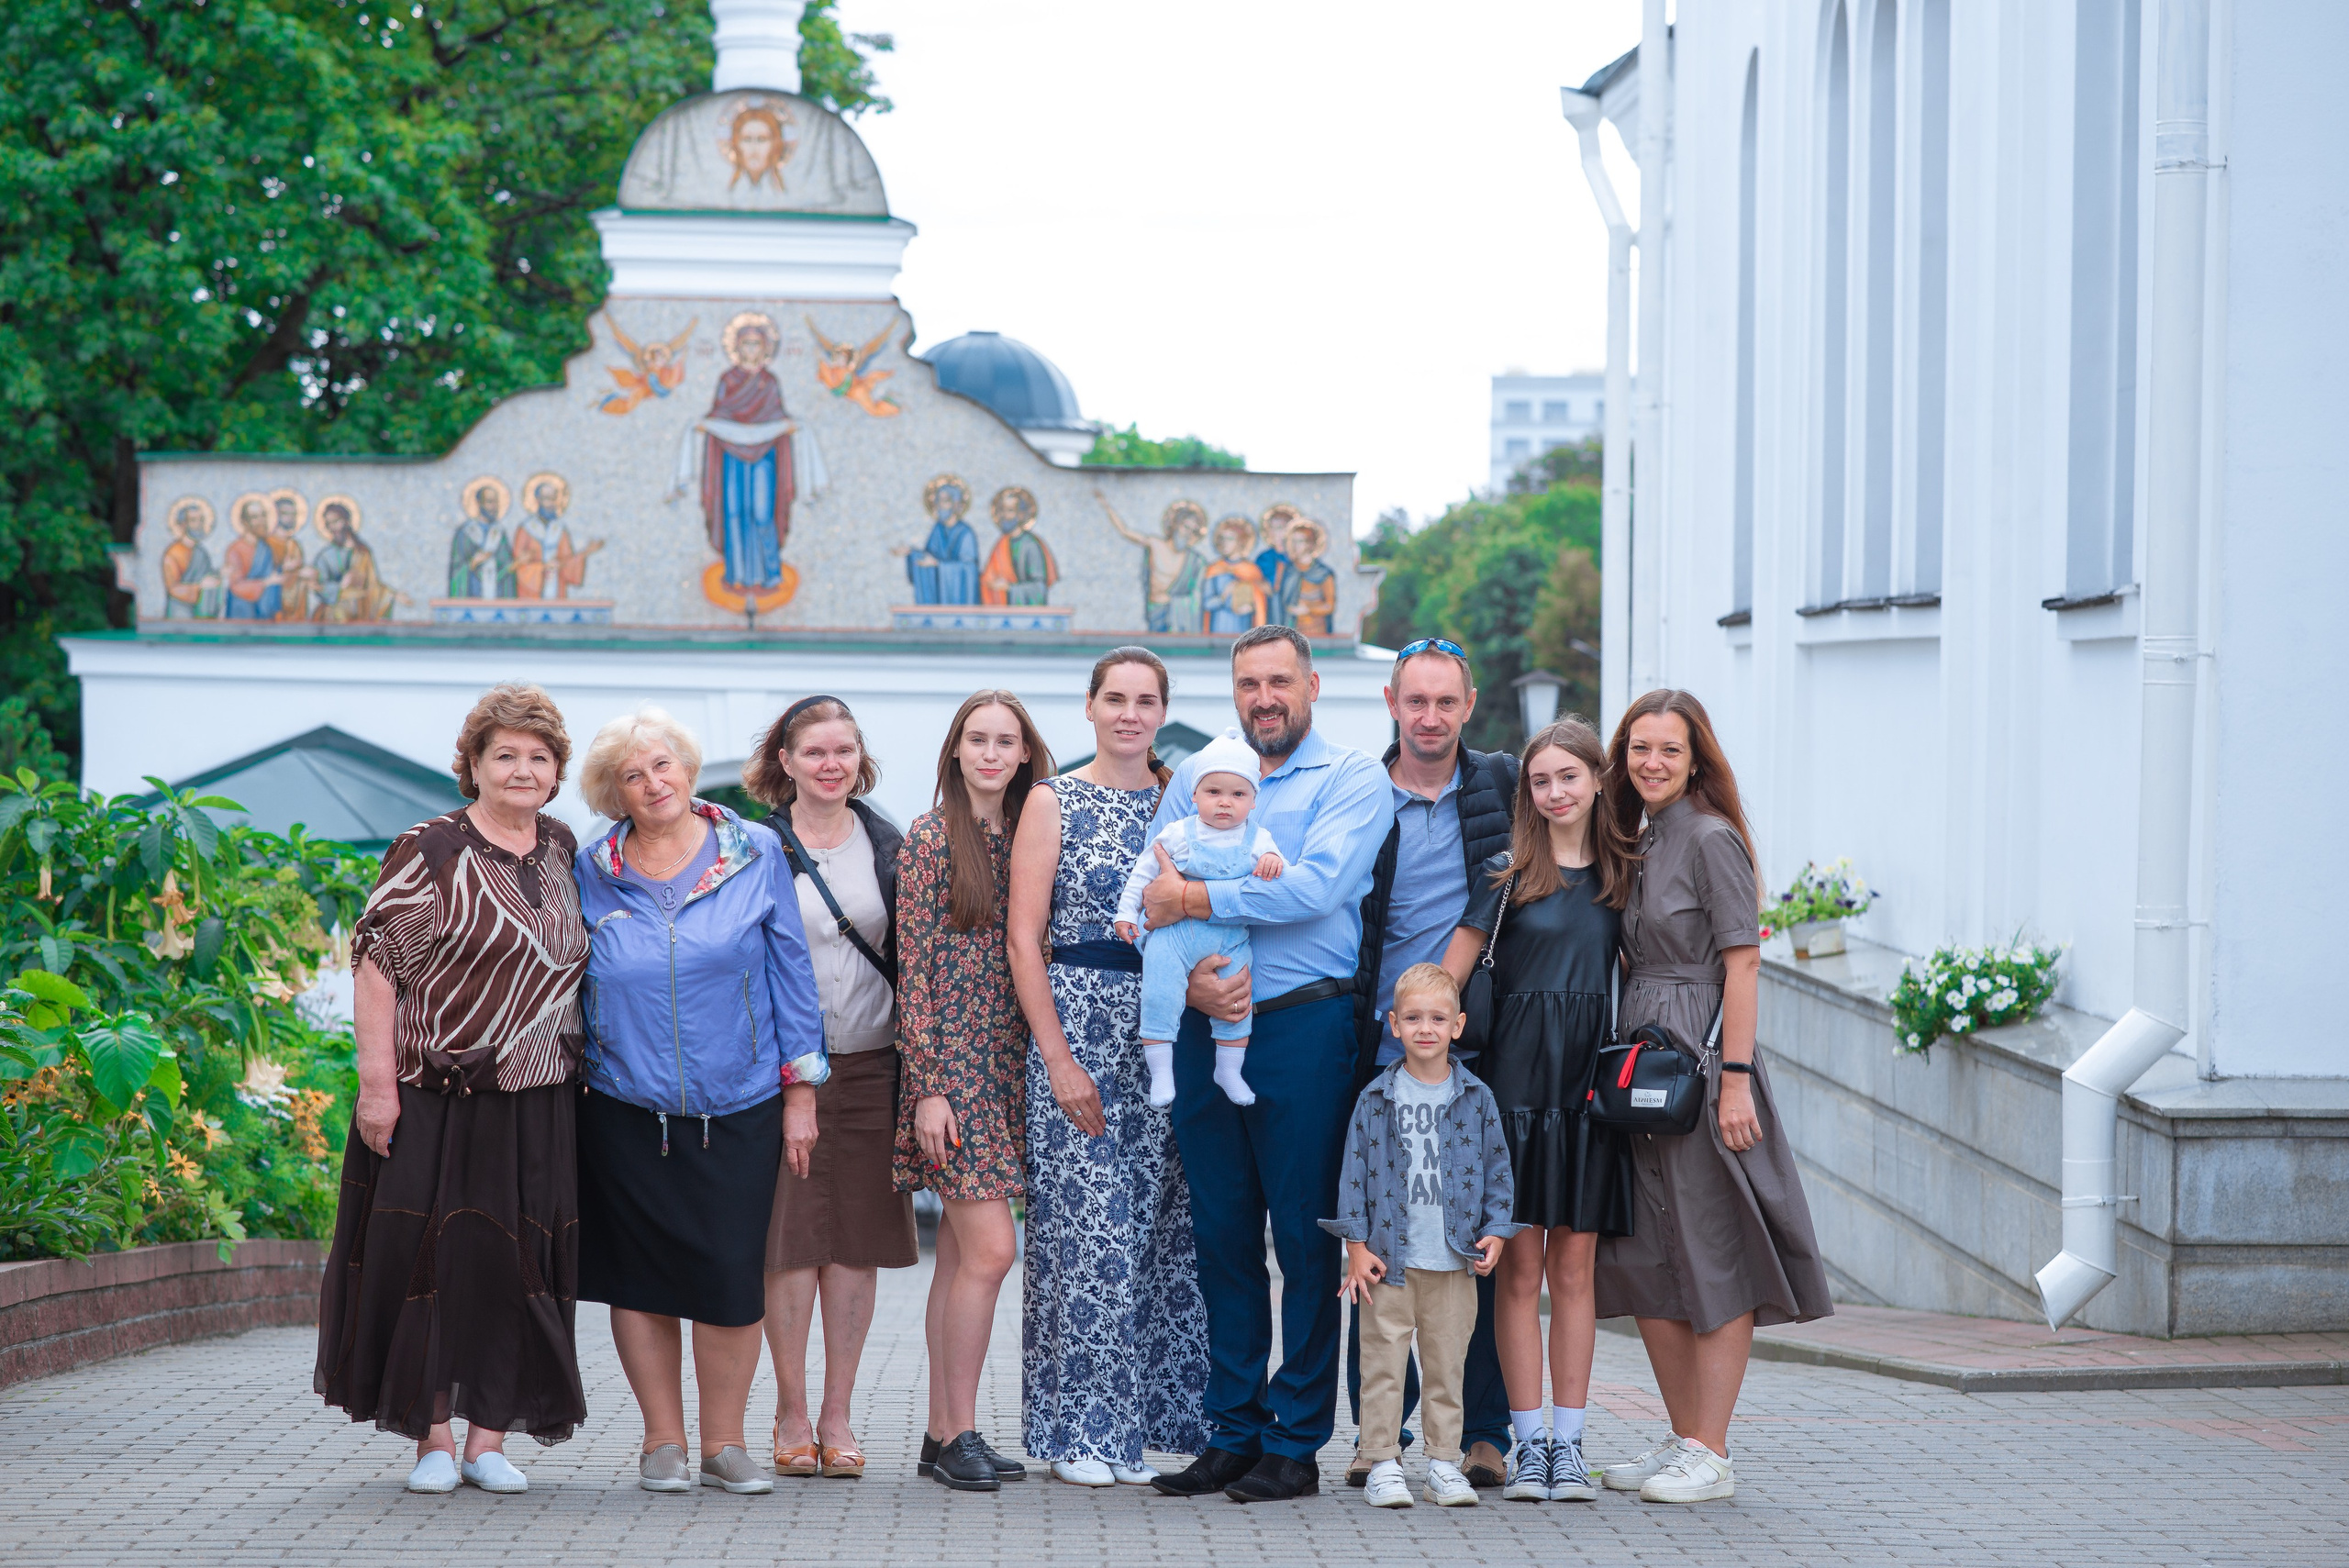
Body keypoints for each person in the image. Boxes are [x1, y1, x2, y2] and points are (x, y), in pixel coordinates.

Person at [1139, 623, 1395, 1505]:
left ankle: (1296, 1439)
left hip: (1303, 1031)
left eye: (1279, 681)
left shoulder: (1353, 778)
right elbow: (1150, 887)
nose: (1264, 698)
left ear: (1312, 685)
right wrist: (1196, 983)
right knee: (1221, 1238)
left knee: (1303, 1237)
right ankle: (1232, 1431)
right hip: (1206, 1028)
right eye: (1249, 683)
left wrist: (1200, 896)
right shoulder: (1194, 775)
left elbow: (1315, 887)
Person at [314, 684, 589, 1496]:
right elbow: (377, 965)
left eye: (538, 756)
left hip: (539, 1098)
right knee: (428, 1257)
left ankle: (488, 1439)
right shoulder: (431, 846)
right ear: (472, 764)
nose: (522, 768)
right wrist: (376, 1086)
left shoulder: (564, 847)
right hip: (435, 1093)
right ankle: (433, 1437)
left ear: (556, 770)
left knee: (518, 1265)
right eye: (504, 754)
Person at [573, 706, 829, 1497]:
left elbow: (792, 973)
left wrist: (801, 1094)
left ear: (688, 768)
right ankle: (662, 1441)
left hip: (739, 1101)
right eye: (632, 774)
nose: (653, 783)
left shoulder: (755, 851)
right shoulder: (591, 867)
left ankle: (723, 1441)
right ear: (616, 794)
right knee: (640, 1278)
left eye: (662, 765)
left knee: (727, 1278)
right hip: (622, 1103)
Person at [1591, 688, 1831, 1505]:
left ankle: (1713, 1449)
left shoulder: (1712, 836)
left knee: (1712, 1247)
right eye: (1638, 749)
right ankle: (1684, 1436)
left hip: (1697, 1059)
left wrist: (1734, 1077)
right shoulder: (1641, 835)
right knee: (1645, 1253)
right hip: (1640, 1063)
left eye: (1668, 749)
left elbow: (1743, 961)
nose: (1651, 763)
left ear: (1697, 759)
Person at [1005, 648, 1209, 1488]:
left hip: (1168, 1029)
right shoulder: (1053, 798)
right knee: (1085, 1236)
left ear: (1163, 711)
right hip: (1079, 1026)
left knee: (1164, 1236)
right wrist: (1056, 1056)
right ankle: (1082, 1428)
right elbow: (1023, 937)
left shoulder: (1186, 799)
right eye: (1115, 697)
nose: (1130, 712)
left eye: (1146, 699)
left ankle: (1147, 1424)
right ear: (1089, 705)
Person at [1442, 717, 1635, 1504]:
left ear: (1596, 780)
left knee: (1576, 1270)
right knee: (1519, 1270)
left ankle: (1571, 1444)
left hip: (1589, 1094)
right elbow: (1441, 981)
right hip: (1514, 1097)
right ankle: (1528, 1446)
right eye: (1540, 779)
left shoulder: (1629, 874)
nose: (1554, 792)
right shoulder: (1506, 873)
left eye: (1568, 776)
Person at [1342, 638, 1520, 1490]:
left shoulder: (1500, 785)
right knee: (1379, 1245)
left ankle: (1480, 1434)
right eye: (1416, 700)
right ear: (1390, 700)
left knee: (1470, 1253)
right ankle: (1377, 1435)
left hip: (1477, 1055)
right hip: (1377, 1052)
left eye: (1446, 701)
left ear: (1469, 704)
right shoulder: (1360, 795)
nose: (1430, 716)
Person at [744, 695, 917, 1481]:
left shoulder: (890, 842)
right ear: (785, 760)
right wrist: (792, 1080)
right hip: (780, 1072)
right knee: (787, 1241)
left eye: (844, 749)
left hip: (874, 1065)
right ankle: (788, 1410)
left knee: (854, 1242)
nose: (831, 763)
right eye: (814, 751)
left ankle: (839, 1412)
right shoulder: (755, 846)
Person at [895, 690, 1054, 1492]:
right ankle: (955, 1429)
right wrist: (928, 1087)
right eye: (976, 739)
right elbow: (914, 972)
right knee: (992, 1250)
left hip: (1010, 1064)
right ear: (955, 749)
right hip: (953, 1075)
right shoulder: (931, 838)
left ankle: (944, 1433)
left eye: (1006, 740)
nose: (991, 752)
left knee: (960, 1258)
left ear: (1026, 752)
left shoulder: (1030, 831)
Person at [1321, 964, 1520, 1509]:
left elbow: (1498, 1172)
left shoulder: (1477, 1099)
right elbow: (1354, 1175)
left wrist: (1497, 1234)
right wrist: (1356, 1248)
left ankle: (1442, 1462)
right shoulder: (1376, 1099)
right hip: (1388, 1262)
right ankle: (1383, 1459)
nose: (1425, 1028)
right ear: (1394, 1025)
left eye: (1437, 1018)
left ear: (1458, 1025)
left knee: (1445, 1368)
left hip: (1454, 1262)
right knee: (1381, 1365)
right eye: (1413, 1018)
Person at [1114, 728, 1286, 1108]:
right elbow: (1143, 874)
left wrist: (1274, 862)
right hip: (1174, 936)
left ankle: (1229, 1070)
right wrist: (1127, 913)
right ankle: (1161, 1074)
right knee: (1159, 994)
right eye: (1213, 792)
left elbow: (1282, 877)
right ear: (1194, 796)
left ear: (1254, 801)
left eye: (1238, 794)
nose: (1225, 803)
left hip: (1230, 939)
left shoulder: (1259, 839)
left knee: (1238, 1005)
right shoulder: (1179, 832)